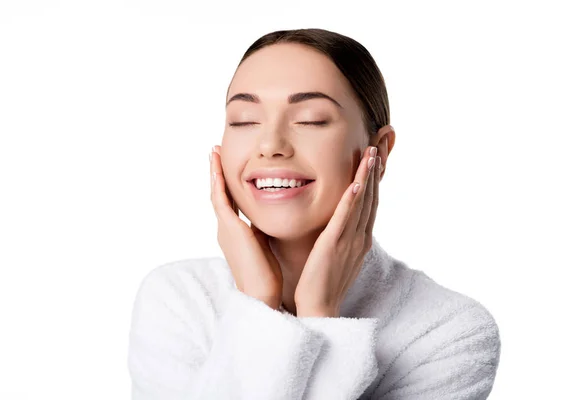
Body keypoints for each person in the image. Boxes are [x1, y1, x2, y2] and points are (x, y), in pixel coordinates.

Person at [127, 28, 501, 399]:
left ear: (380, 151)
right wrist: (257, 303)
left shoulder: (449, 330)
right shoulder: (179, 299)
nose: (270, 144)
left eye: (310, 119)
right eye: (244, 119)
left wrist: (320, 314)